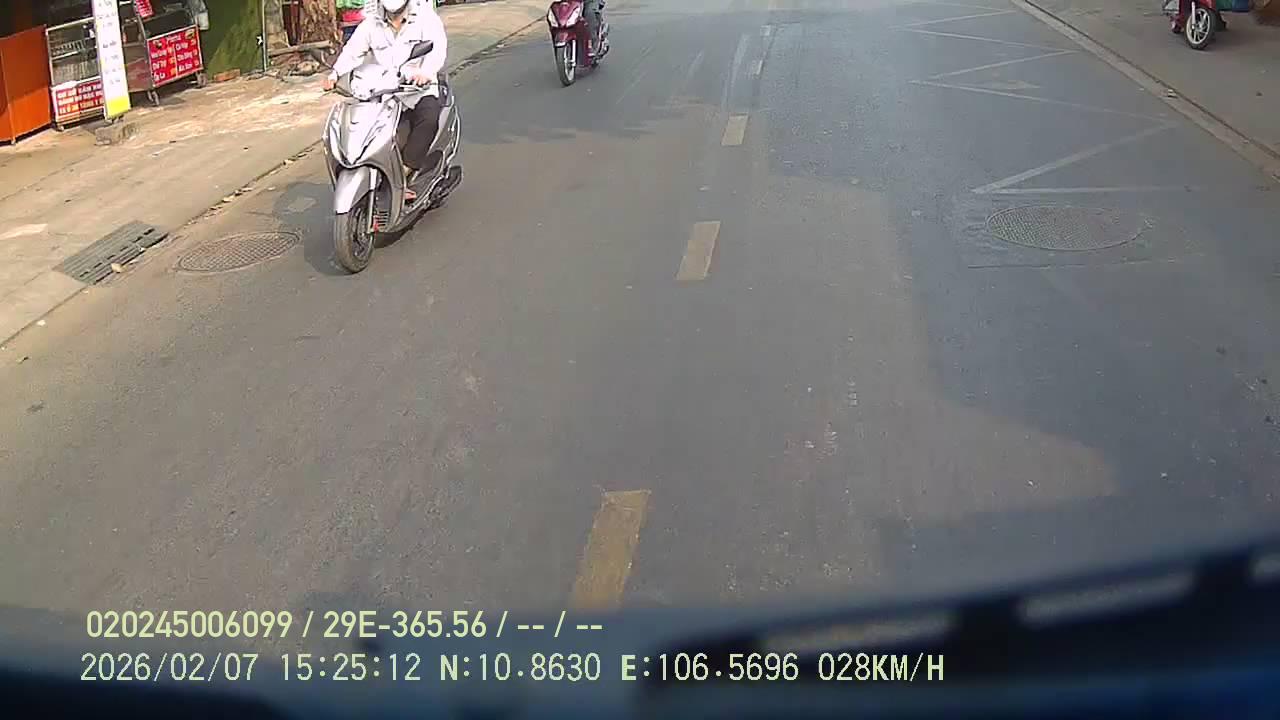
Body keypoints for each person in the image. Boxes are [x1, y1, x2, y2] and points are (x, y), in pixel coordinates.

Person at [324, 0, 448, 199]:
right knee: (367, 131)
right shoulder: (371, 21)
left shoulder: (425, 17)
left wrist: (425, 72)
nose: (394, 15)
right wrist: (335, 74)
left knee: (428, 119)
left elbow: (437, 50)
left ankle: (404, 175)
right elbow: (353, 51)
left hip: (416, 90)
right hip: (383, 92)